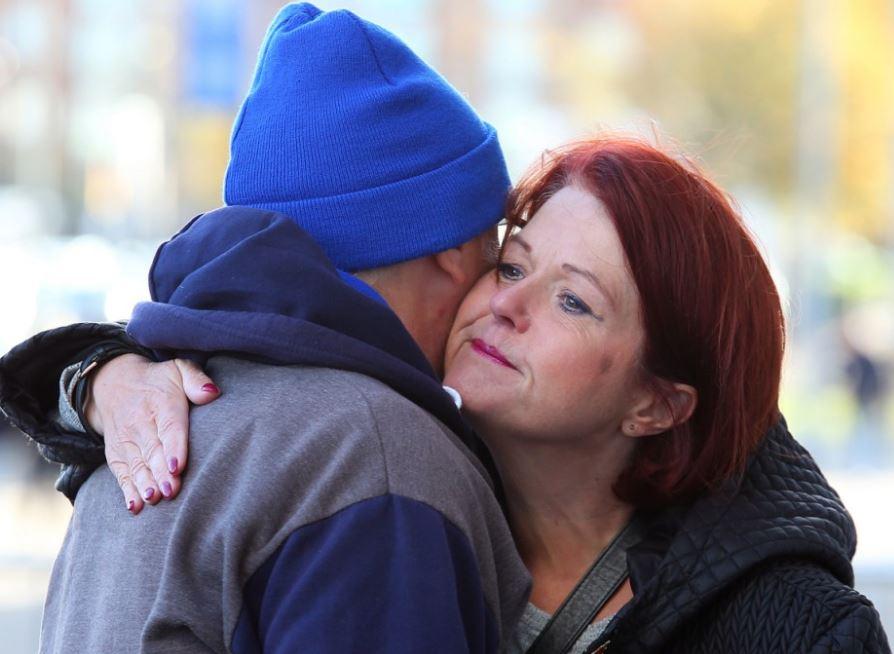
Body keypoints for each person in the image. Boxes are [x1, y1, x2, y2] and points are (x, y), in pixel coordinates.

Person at [3, 27, 890, 654]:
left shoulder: (796, 629)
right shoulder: (385, 479)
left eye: (574, 303)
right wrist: (97, 374)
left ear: (659, 400)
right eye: (512, 267)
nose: (506, 306)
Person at [0, 4, 534, 653]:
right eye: (498, 254)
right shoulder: (373, 455)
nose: (504, 296)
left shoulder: (143, 425)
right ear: (451, 249)